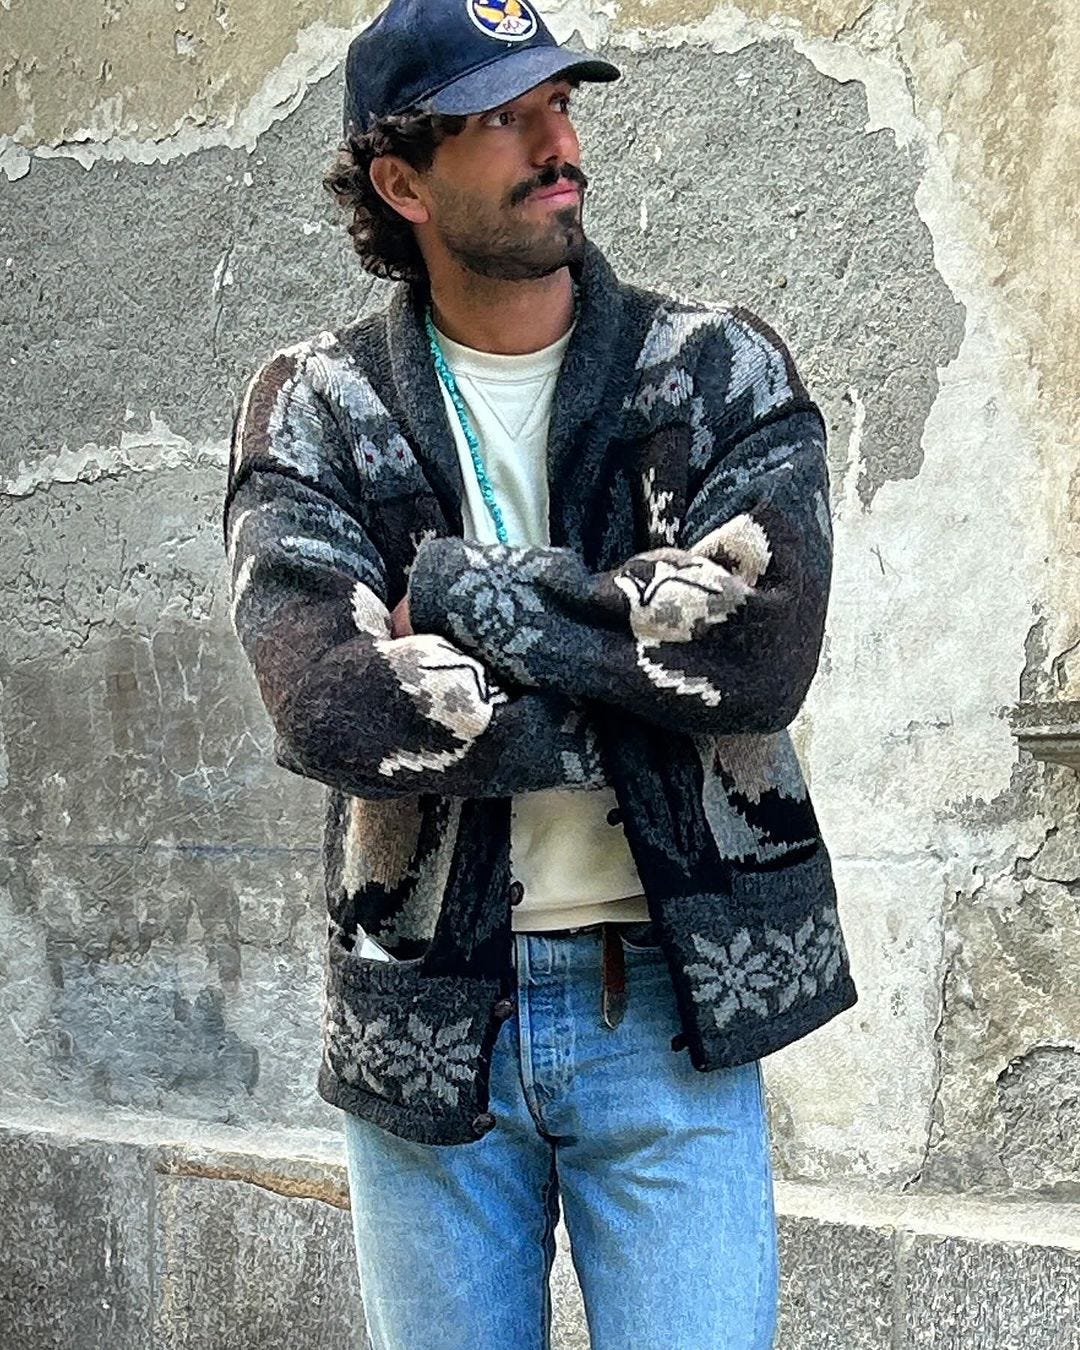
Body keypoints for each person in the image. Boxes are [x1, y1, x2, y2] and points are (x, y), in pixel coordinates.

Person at [222, 0, 859, 1344]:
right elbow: (332, 702)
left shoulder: (717, 366)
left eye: (560, 105)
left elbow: (761, 646)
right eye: (505, 118)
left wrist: (454, 595)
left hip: (671, 1005)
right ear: (402, 180)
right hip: (429, 1013)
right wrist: (637, 657)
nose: (556, 140)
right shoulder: (315, 405)